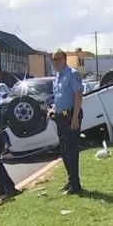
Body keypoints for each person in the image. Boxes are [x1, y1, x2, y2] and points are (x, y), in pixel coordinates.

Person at [50, 49, 84, 195]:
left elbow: (78, 94)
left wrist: (75, 116)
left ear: (65, 59)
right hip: (60, 117)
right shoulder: (57, 77)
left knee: (71, 151)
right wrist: (53, 109)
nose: (56, 62)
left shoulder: (72, 74)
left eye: (58, 59)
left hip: (71, 116)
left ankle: (75, 185)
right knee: (64, 151)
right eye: (54, 59)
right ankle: (70, 180)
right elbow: (59, 97)